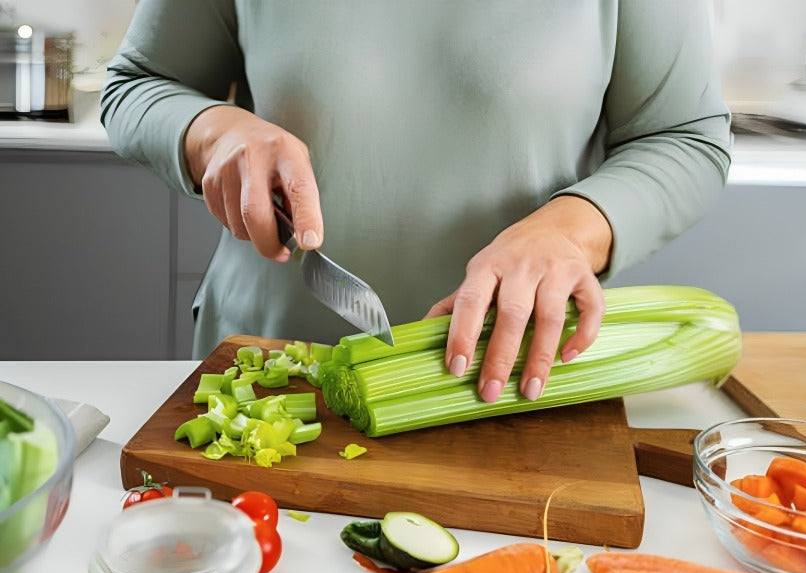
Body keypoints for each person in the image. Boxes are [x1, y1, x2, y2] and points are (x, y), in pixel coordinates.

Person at [101, 0, 731, 404]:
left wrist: (571, 231)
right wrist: (216, 131)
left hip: (508, 380)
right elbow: (137, 84)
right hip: (266, 367)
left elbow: (686, 135)